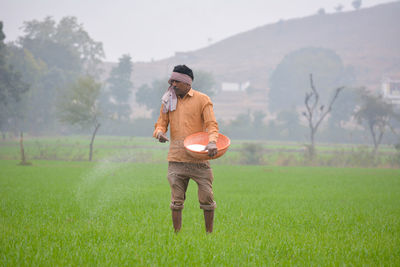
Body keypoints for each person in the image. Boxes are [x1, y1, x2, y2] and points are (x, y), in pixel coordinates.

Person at [153, 65, 219, 233]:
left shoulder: (202, 99)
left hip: (199, 159)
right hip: (176, 159)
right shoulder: (168, 100)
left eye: (177, 81)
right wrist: (159, 133)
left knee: (207, 198)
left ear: (187, 83)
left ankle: (209, 235)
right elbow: (161, 123)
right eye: (171, 81)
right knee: (176, 200)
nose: (173, 84)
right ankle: (177, 236)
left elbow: (211, 125)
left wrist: (212, 142)